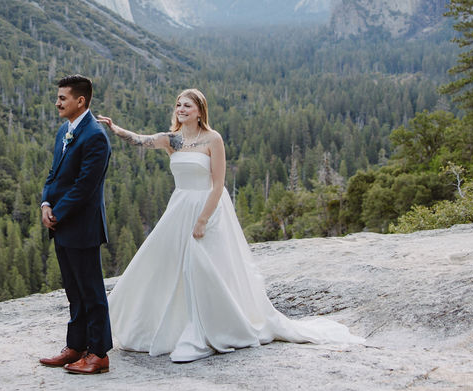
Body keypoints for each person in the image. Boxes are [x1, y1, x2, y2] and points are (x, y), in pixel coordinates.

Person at [97, 88, 363, 363]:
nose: (181, 109)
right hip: (179, 208)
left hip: (208, 208)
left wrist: (203, 219)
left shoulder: (213, 139)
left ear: (200, 110)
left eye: (187, 105)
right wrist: (115, 128)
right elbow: (140, 140)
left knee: (200, 269)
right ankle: (169, 327)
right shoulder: (172, 140)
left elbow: (218, 184)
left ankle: (206, 330)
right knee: (164, 265)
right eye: (178, 105)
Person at [38, 74, 114, 375]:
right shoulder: (64, 131)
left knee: (91, 291)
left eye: (62, 98)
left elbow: (85, 187)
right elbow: (53, 174)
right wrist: (46, 203)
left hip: (82, 226)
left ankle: (99, 354)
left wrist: (57, 213)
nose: (57, 102)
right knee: (73, 290)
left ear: (80, 101)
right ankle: (76, 345)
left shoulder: (95, 135)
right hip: (62, 224)